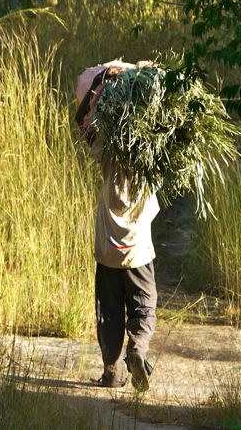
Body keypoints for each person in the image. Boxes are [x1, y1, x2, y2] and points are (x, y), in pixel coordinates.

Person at [75, 62, 159, 392]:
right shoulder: (149, 156)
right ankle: (136, 350)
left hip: (108, 248)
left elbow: (88, 130)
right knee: (143, 307)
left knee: (108, 313)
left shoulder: (107, 151)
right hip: (138, 249)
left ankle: (110, 371)